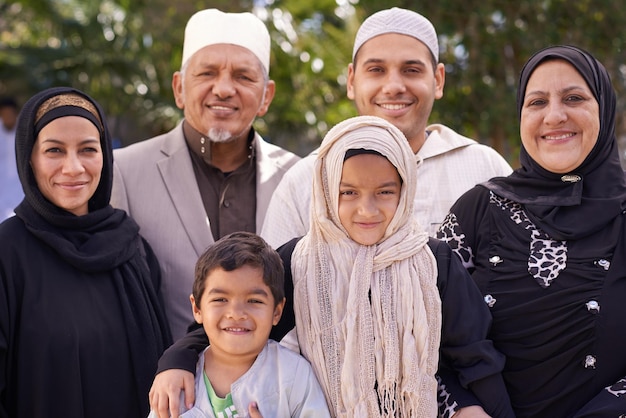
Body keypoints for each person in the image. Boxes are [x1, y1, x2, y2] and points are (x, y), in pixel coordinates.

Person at [149, 116, 514, 418]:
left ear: (405, 190)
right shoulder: (301, 262)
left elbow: (475, 356)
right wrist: (176, 360)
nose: (367, 210)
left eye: (385, 192)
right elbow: (240, 310)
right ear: (325, 191)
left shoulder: (433, 263)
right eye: (348, 192)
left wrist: (482, 410)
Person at [436, 45, 626, 417]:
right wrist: (462, 408)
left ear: (603, 108)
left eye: (573, 97)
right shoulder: (476, 209)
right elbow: (420, 326)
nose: (554, 115)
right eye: (537, 102)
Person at [111, 8, 301, 340]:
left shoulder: (300, 178)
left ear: (266, 96)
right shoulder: (123, 172)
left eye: (243, 76)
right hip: (159, 387)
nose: (224, 89)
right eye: (207, 73)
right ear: (179, 88)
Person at [260, 7, 512, 249]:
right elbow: (270, 285)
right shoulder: (306, 179)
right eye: (376, 70)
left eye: (411, 70)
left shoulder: (485, 170)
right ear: (351, 81)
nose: (393, 86)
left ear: (437, 80)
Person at [0, 86, 172, 417]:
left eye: (88, 149)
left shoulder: (132, 249)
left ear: (105, 156)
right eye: (54, 150)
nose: (74, 167)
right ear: (29, 158)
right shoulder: (8, 254)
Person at [148, 231, 329, 417]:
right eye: (220, 299)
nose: (236, 314)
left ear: (277, 312)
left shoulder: (294, 376)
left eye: (254, 301)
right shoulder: (177, 384)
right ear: (197, 309)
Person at [0, 96, 23, 220]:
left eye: (10, 114)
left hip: (20, 187)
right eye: (4, 114)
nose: (7, 118)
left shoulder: (24, 131)